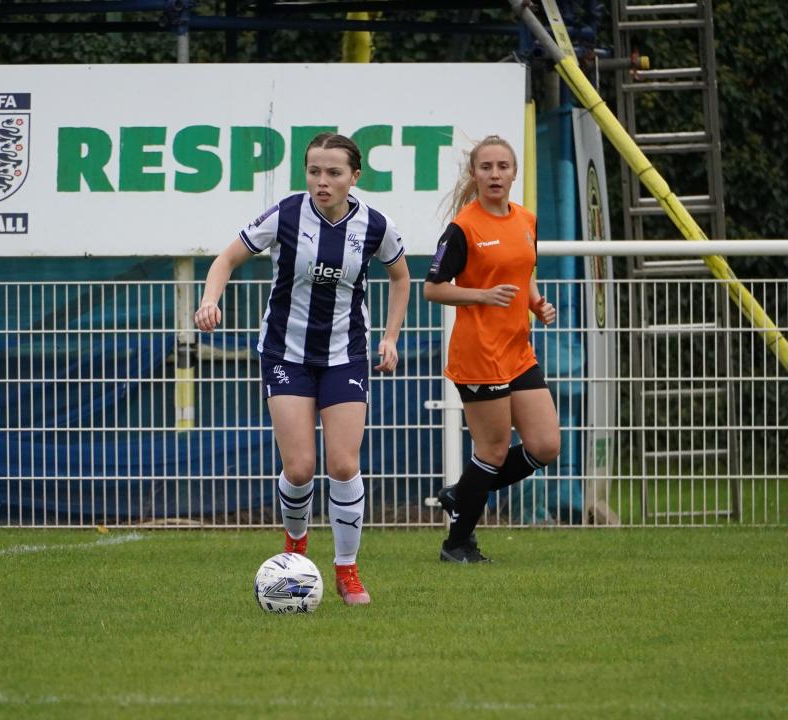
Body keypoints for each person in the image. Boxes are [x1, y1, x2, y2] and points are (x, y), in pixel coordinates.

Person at [194, 132, 410, 604]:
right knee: (300, 467)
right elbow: (226, 259)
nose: (322, 181)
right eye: (314, 171)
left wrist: (390, 338)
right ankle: (295, 553)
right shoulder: (287, 214)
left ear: (355, 177)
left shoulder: (375, 225)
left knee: (344, 463)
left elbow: (401, 276)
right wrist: (209, 300)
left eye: (334, 173)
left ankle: (347, 571)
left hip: (345, 355)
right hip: (286, 352)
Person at [424, 134, 560, 564]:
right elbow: (433, 289)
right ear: (474, 174)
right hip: (480, 355)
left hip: (518, 350)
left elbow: (524, 273)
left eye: (503, 166)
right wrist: (482, 296)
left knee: (544, 446)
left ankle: (462, 493)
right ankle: (456, 545)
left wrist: (536, 303)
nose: (495, 174)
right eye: (486, 167)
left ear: (514, 172)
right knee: (493, 452)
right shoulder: (464, 227)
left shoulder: (526, 219)